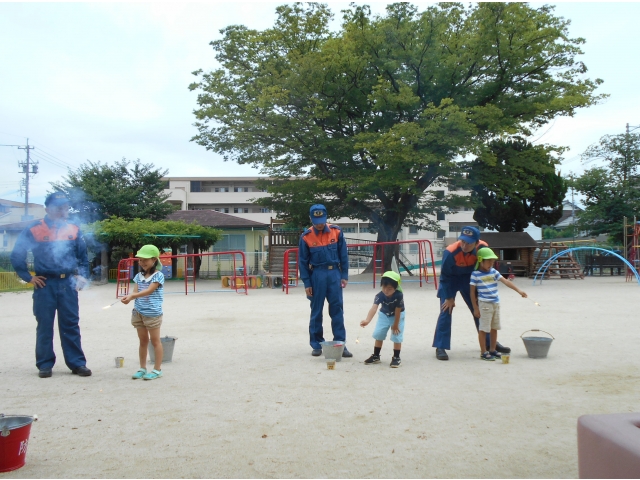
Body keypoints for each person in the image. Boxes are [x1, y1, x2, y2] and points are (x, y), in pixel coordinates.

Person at [10, 191, 92, 378]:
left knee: (71, 324)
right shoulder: (34, 229)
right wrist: (28, 277)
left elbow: (82, 255)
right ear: (47, 209)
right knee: (45, 325)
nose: (63, 211)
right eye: (59, 208)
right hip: (44, 284)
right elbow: (17, 254)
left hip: (68, 283)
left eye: (65, 208)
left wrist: (83, 276)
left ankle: (77, 363)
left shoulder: (73, 228)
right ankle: (45, 364)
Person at [432, 226, 511, 361]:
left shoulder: (483, 248)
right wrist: (449, 297)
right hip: (450, 280)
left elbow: (486, 266)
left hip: (470, 279)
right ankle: (441, 346)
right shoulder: (450, 252)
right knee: (446, 310)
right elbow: (444, 277)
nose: (464, 245)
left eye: (469, 243)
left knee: (480, 310)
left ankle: (488, 343)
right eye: (462, 241)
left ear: (476, 242)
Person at [298, 204, 352, 358]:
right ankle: (316, 344)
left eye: (322, 221)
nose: (319, 224)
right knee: (316, 311)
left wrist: (344, 275)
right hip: (317, 275)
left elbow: (343, 255)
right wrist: (307, 283)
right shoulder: (306, 237)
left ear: (326, 217)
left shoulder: (337, 231)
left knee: (337, 309)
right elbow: (303, 262)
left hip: (334, 273)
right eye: (316, 222)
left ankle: (340, 343)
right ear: (311, 219)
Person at [470, 248, 527, 360]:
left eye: (492, 262)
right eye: (489, 261)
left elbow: (506, 281)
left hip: (495, 303)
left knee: (494, 327)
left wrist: (519, 291)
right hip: (484, 304)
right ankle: (483, 352)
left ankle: (492, 349)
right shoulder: (475, 274)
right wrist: (475, 308)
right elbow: (472, 292)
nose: (491, 264)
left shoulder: (494, 272)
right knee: (483, 329)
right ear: (480, 260)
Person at [121, 245, 165, 380]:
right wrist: (129, 298)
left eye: (145, 260)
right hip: (138, 312)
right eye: (140, 260)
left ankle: (157, 370)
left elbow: (149, 291)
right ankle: (142, 368)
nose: (142, 262)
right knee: (143, 341)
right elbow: (135, 291)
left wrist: (132, 296)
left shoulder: (158, 275)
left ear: (154, 260)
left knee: (155, 341)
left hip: (152, 313)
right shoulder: (138, 276)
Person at [360, 271, 405, 368]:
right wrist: (367, 320)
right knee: (379, 333)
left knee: (396, 335)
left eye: (390, 288)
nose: (386, 291)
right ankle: (376, 356)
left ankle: (396, 357)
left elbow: (398, 310)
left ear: (396, 287)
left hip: (397, 315)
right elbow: (374, 308)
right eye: (384, 287)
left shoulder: (399, 295)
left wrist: (395, 325)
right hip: (384, 314)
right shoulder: (379, 295)